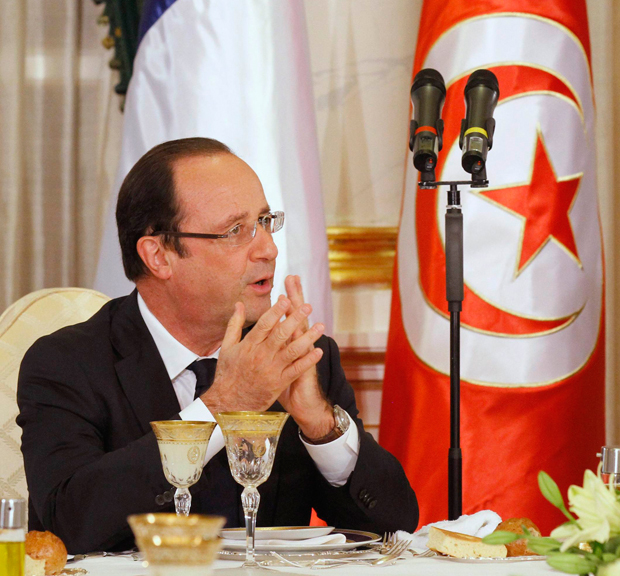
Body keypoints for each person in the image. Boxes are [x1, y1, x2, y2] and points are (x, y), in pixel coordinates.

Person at [17, 137, 418, 553]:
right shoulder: (67, 363)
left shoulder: (295, 356)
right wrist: (225, 402)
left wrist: (320, 426)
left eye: (265, 221)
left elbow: (393, 527)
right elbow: (67, 525)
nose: (268, 248)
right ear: (159, 256)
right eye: (235, 231)